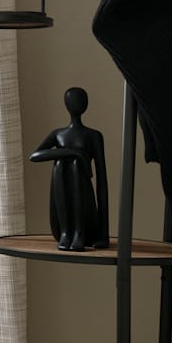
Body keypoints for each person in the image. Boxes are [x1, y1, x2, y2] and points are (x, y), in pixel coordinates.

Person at [29, 87, 110, 250]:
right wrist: (75, 153)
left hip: (86, 215)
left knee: (75, 165)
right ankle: (66, 232)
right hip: (61, 217)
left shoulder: (93, 136)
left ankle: (79, 232)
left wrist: (104, 234)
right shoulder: (58, 134)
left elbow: (102, 182)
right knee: (61, 163)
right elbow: (35, 156)